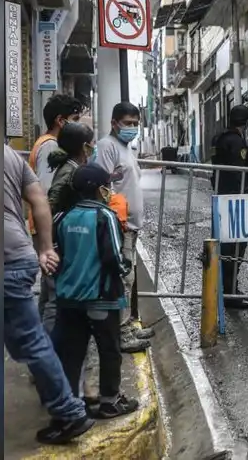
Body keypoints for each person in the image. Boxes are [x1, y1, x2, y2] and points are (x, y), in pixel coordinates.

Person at [3, 144, 95, 444]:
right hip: (18, 256)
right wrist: (44, 248)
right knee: (26, 341)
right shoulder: (5, 153)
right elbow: (39, 198)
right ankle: (68, 408)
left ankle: (69, 409)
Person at [52, 164, 140, 419]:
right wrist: (125, 268)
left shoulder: (64, 216)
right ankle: (110, 402)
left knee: (73, 353)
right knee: (109, 350)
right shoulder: (105, 216)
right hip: (101, 299)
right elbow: (112, 256)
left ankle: (70, 406)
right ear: (99, 188)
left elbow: (58, 254)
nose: (109, 190)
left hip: (69, 299)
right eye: (107, 185)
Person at [94, 102, 150, 350]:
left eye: (136, 124)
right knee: (123, 279)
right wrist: (117, 222)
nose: (132, 128)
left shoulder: (127, 147)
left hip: (131, 226)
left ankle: (126, 327)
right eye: (128, 123)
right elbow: (104, 187)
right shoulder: (107, 146)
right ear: (114, 123)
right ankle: (122, 334)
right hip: (120, 226)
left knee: (128, 278)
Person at [38, 121, 95, 334]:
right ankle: (49, 350)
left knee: (48, 293)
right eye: (91, 143)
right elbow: (50, 206)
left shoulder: (73, 167)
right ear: (83, 146)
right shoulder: (69, 171)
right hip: (58, 241)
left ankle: (40, 343)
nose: (93, 146)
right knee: (54, 297)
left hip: (58, 239)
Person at [211, 104, 248, 309]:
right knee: (235, 246)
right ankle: (229, 293)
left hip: (223, 196)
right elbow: (239, 171)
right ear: (246, 122)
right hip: (235, 199)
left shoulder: (219, 139)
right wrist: (245, 188)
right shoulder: (236, 141)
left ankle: (229, 289)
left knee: (229, 245)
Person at [27, 94, 84, 236]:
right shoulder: (50, 146)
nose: (79, 125)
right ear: (60, 120)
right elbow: (47, 191)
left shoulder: (50, 143)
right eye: (75, 119)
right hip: (47, 227)